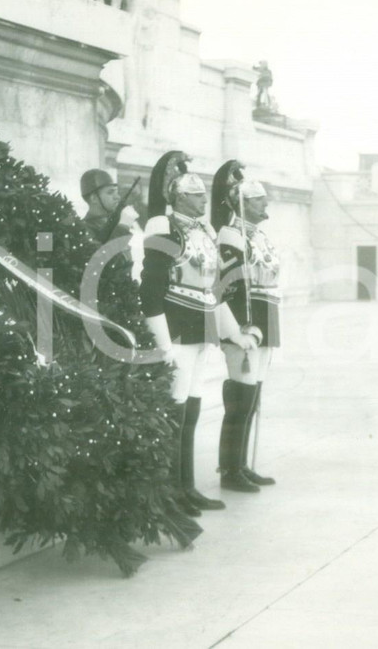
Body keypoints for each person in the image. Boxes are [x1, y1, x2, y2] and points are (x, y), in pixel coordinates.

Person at [139, 151, 257, 515]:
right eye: (195, 195)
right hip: (175, 329)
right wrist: (162, 344)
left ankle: (184, 486)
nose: (205, 200)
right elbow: (151, 290)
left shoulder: (204, 232)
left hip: (199, 327)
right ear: (176, 196)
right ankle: (168, 490)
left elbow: (215, 290)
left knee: (191, 408)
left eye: (204, 194)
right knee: (176, 409)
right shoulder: (163, 227)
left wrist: (235, 334)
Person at [211, 160, 280, 492]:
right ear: (242, 203)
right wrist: (240, 329)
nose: (265, 204)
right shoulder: (231, 235)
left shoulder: (260, 236)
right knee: (240, 395)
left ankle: (241, 464)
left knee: (253, 395)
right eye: (258, 199)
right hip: (245, 322)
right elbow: (230, 286)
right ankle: (229, 470)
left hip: (267, 318)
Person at [79, 168, 139, 245]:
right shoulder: (84, 230)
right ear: (94, 198)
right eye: (110, 192)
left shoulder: (113, 224)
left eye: (116, 192)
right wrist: (123, 227)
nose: (117, 197)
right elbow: (102, 255)